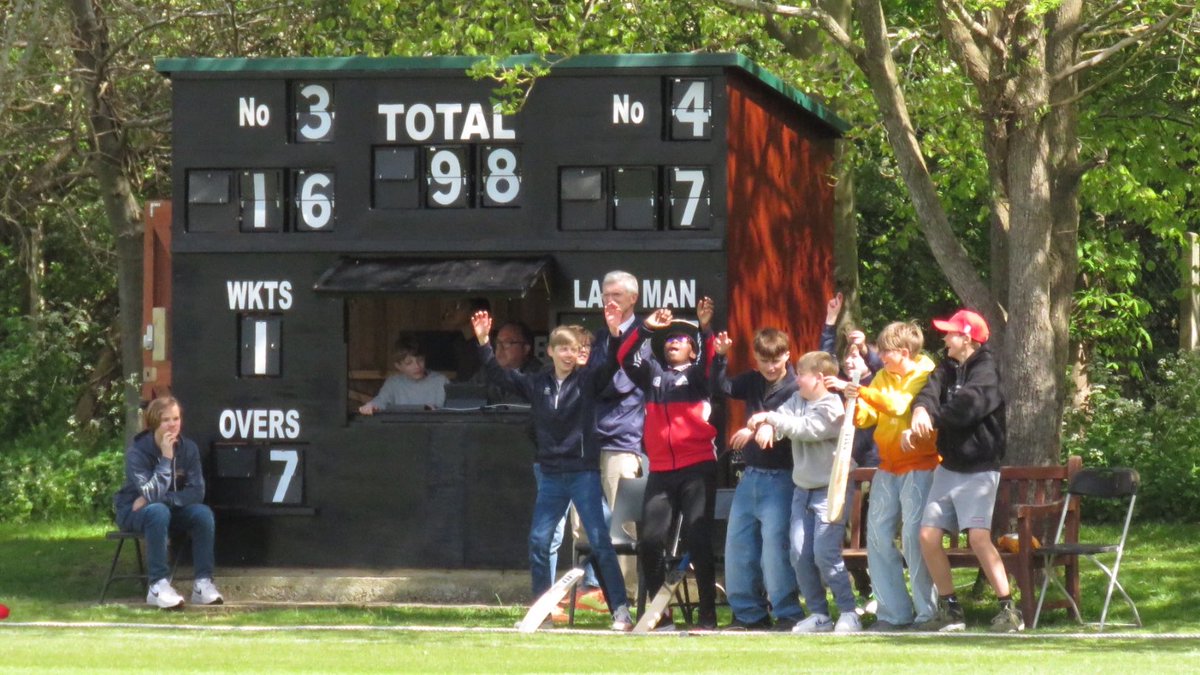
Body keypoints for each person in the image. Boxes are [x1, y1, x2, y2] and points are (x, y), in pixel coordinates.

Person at [472, 305, 635, 631]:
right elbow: (498, 375)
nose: (567, 354)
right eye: (561, 348)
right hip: (550, 475)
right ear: (550, 350)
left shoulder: (588, 380)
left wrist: (616, 333)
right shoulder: (537, 383)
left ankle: (621, 611)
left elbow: (614, 363)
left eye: (573, 349)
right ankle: (543, 613)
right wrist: (483, 342)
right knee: (539, 541)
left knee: (601, 540)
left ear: (579, 354)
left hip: (583, 473)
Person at [909, 309, 1018, 632]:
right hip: (950, 466)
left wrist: (933, 418)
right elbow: (928, 391)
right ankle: (951, 609)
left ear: (966, 337)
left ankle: (1009, 610)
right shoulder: (947, 368)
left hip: (980, 468)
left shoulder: (986, 371)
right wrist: (919, 410)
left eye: (950, 333)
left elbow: (967, 407)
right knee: (928, 536)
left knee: (978, 537)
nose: (944, 338)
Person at [618, 305, 719, 630]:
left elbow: (712, 362)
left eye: (680, 339)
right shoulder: (652, 374)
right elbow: (624, 356)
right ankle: (661, 614)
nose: (673, 343)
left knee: (698, 539)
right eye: (669, 339)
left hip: (697, 467)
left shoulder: (699, 376)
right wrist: (645, 328)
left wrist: (705, 329)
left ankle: (707, 614)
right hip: (661, 470)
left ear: (692, 347)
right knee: (649, 541)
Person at [748, 350, 860, 632]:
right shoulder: (798, 400)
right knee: (799, 553)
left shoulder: (833, 406)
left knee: (825, 553)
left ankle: (849, 611)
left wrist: (769, 419)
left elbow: (807, 429)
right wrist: (767, 425)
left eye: (801, 374)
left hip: (830, 490)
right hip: (803, 489)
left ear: (819, 378)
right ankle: (820, 614)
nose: (796, 379)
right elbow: (783, 421)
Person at [841, 321, 940, 631]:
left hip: (922, 464)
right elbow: (870, 415)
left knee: (913, 537)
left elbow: (899, 406)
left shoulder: (926, 373)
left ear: (903, 352)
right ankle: (893, 614)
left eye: (884, 352)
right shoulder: (883, 376)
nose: (879, 357)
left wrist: (864, 391)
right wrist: (854, 397)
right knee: (878, 537)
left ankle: (928, 612)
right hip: (888, 465)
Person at [712, 325, 805, 631]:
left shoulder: (797, 388)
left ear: (787, 355)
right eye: (763, 360)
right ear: (756, 359)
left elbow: (791, 422)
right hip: (750, 476)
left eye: (775, 360)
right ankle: (748, 614)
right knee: (738, 546)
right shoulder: (752, 381)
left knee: (774, 549)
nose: (770, 366)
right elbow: (722, 388)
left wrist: (754, 429)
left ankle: (787, 613)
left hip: (781, 477)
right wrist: (720, 357)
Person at [113, 396, 223, 609]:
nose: (173, 424)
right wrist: (166, 458)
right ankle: (157, 585)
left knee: (202, 513)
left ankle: (203, 583)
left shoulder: (188, 449)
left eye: (176, 418)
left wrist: (165, 499)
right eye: (166, 420)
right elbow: (151, 496)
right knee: (157, 511)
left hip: (167, 508)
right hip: (133, 512)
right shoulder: (138, 452)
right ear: (155, 423)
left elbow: (197, 492)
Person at [585, 271, 649, 604]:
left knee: (622, 526)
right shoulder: (598, 338)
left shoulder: (646, 336)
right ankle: (594, 591)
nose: (609, 302)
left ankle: (628, 598)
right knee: (583, 526)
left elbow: (615, 385)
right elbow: (586, 383)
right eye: (605, 296)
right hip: (589, 443)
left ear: (633, 299)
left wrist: (596, 379)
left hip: (624, 443)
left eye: (617, 296)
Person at [358, 334, 448, 413]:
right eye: (409, 362)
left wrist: (437, 411)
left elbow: (453, 410)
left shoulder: (441, 381)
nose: (417, 366)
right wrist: (371, 406)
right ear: (398, 366)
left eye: (420, 360)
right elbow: (381, 401)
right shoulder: (393, 383)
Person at [441, 297, 491, 382]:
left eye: (458, 306)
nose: (450, 312)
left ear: (474, 312)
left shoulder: (486, 345)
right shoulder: (458, 343)